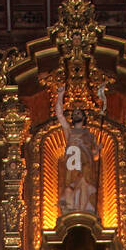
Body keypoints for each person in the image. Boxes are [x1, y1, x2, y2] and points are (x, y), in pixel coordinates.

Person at [55, 85, 99, 215]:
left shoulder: (90, 135)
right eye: (74, 114)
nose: (76, 114)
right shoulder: (69, 131)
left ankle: (83, 211)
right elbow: (59, 115)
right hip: (72, 164)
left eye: (79, 113)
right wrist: (60, 95)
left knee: (84, 183)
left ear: (84, 117)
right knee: (69, 188)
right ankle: (72, 210)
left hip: (86, 164)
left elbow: (94, 156)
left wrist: (97, 150)